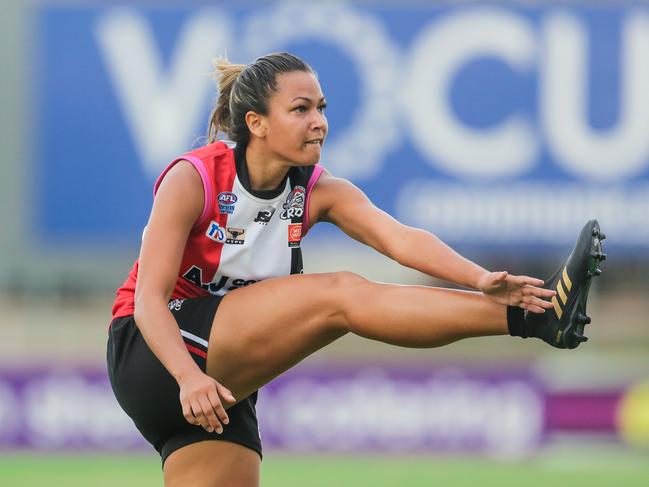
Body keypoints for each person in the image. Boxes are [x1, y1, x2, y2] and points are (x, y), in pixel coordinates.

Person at [107, 52, 605, 487]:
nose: (319, 121)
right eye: (300, 110)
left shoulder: (319, 191)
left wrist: (479, 278)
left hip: (218, 386)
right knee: (341, 295)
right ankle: (535, 320)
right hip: (154, 353)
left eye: (321, 108)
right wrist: (186, 378)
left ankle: (532, 313)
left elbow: (399, 238)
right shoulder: (192, 178)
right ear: (257, 123)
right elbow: (149, 299)